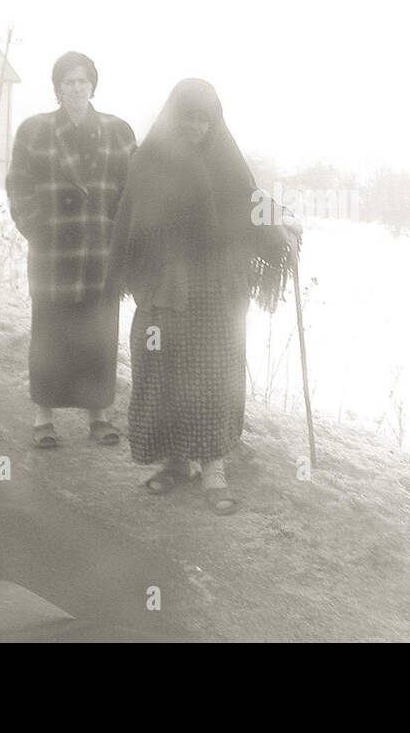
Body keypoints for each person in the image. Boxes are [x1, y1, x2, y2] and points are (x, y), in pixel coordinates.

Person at [106, 78, 301, 514]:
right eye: (189, 118)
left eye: (204, 119)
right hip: (164, 287)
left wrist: (282, 225)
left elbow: (251, 201)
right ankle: (175, 462)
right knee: (164, 373)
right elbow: (128, 216)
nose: (196, 126)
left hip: (216, 287)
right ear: (174, 117)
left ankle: (214, 467)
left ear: (215, 122)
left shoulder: (226, 162)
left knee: (214, 375)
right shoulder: (149, 161)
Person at [6, 52, 136, 448]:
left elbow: (133, 194)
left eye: (82, 81)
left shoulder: (120, 132)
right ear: (57, 88)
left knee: (97, 338)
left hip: (100, 256)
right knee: (51, 337)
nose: (76, 87)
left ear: (93, 85)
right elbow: (19, 187)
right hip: (53, 256)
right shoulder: (34, 131)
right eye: (68, 81)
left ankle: (99, 415)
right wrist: (39, 229)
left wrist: (120, 237)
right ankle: (43, 417)